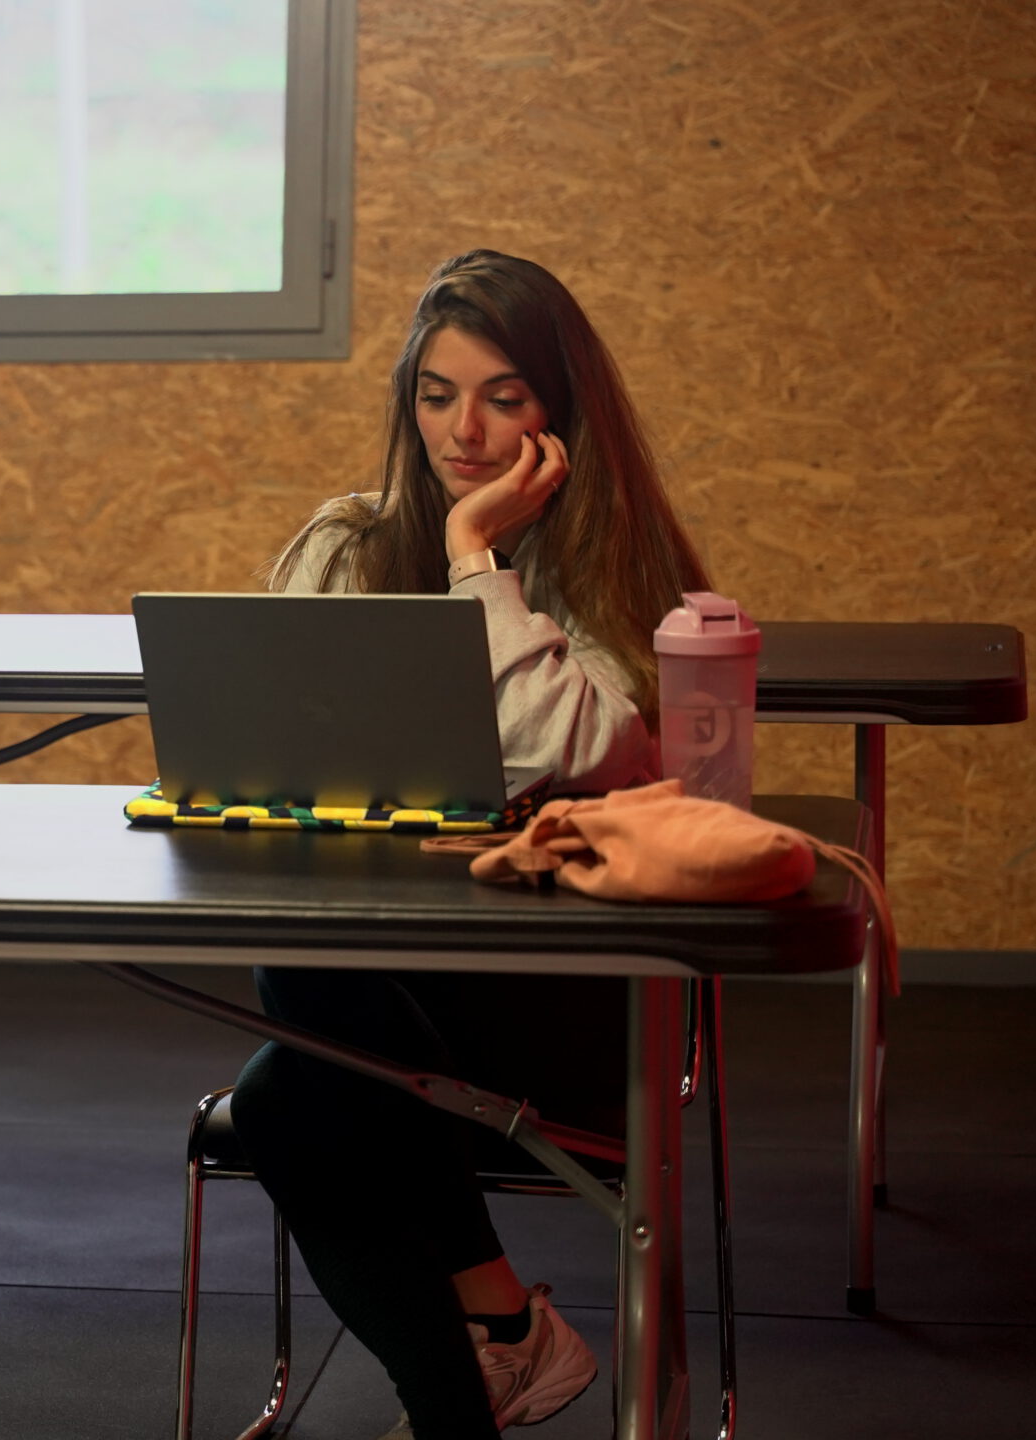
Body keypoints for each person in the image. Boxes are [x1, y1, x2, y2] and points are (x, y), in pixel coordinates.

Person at [238, 250, 711, 1440]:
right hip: (381, 968)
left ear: (560, 409)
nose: (465, 430)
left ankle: (499, 1344)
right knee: (294, 1067)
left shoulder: (618, 568)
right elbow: (276, 732)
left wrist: (472, 556)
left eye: (503, 397)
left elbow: (561, 745)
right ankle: (479, 1371)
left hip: (559, 990)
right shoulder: (346, 545)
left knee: (289, 1085)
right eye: (436, 395)